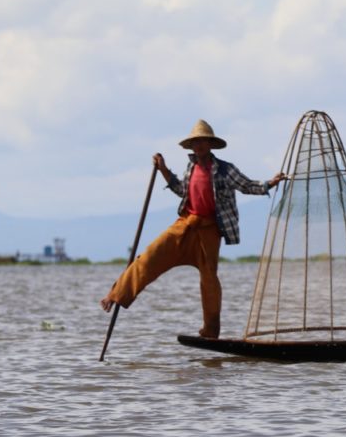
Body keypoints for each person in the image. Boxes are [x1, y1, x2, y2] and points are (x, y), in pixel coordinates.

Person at [100, 119, 286, 339]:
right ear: (191, 146)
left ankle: (210, 332)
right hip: (185, 225)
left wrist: (269, 184)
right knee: (149, 257)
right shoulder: (190, 167)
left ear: (210, 144)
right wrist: (163, 169)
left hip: (209, 230)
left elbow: (247, 185)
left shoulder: (225, 170)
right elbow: (181, 190)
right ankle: (116, 294)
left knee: (209, 280)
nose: (199, 146)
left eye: (203, 142)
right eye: (195, 142)